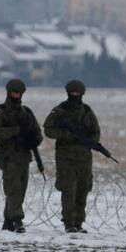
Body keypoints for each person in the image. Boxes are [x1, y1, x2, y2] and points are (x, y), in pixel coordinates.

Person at [44, 79, 100, 233]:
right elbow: (48, 129)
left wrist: (90, 141)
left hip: (84, 157)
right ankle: (69, 223)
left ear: (82, 93)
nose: (75, 95)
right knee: (68, 190)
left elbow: (96, 131)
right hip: (65, 157)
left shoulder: (87, 111)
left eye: (78, 93)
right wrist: (66, 135)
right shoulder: (60, 110)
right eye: (73, 93)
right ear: (68, 93)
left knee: (83, 189)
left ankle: (79, 222)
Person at [0, 77, 42, 233]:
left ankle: (8, 220)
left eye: (19, 93)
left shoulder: (27, 113)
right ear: (9, 92)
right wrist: (15, 131)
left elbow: (37, 132)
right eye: (14, 92)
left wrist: (33, 140)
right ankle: (17, 220)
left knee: (21, 188)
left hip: (24, 155)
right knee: (13, 188)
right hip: (8, 154)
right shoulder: (0, 111)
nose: (16, 95)